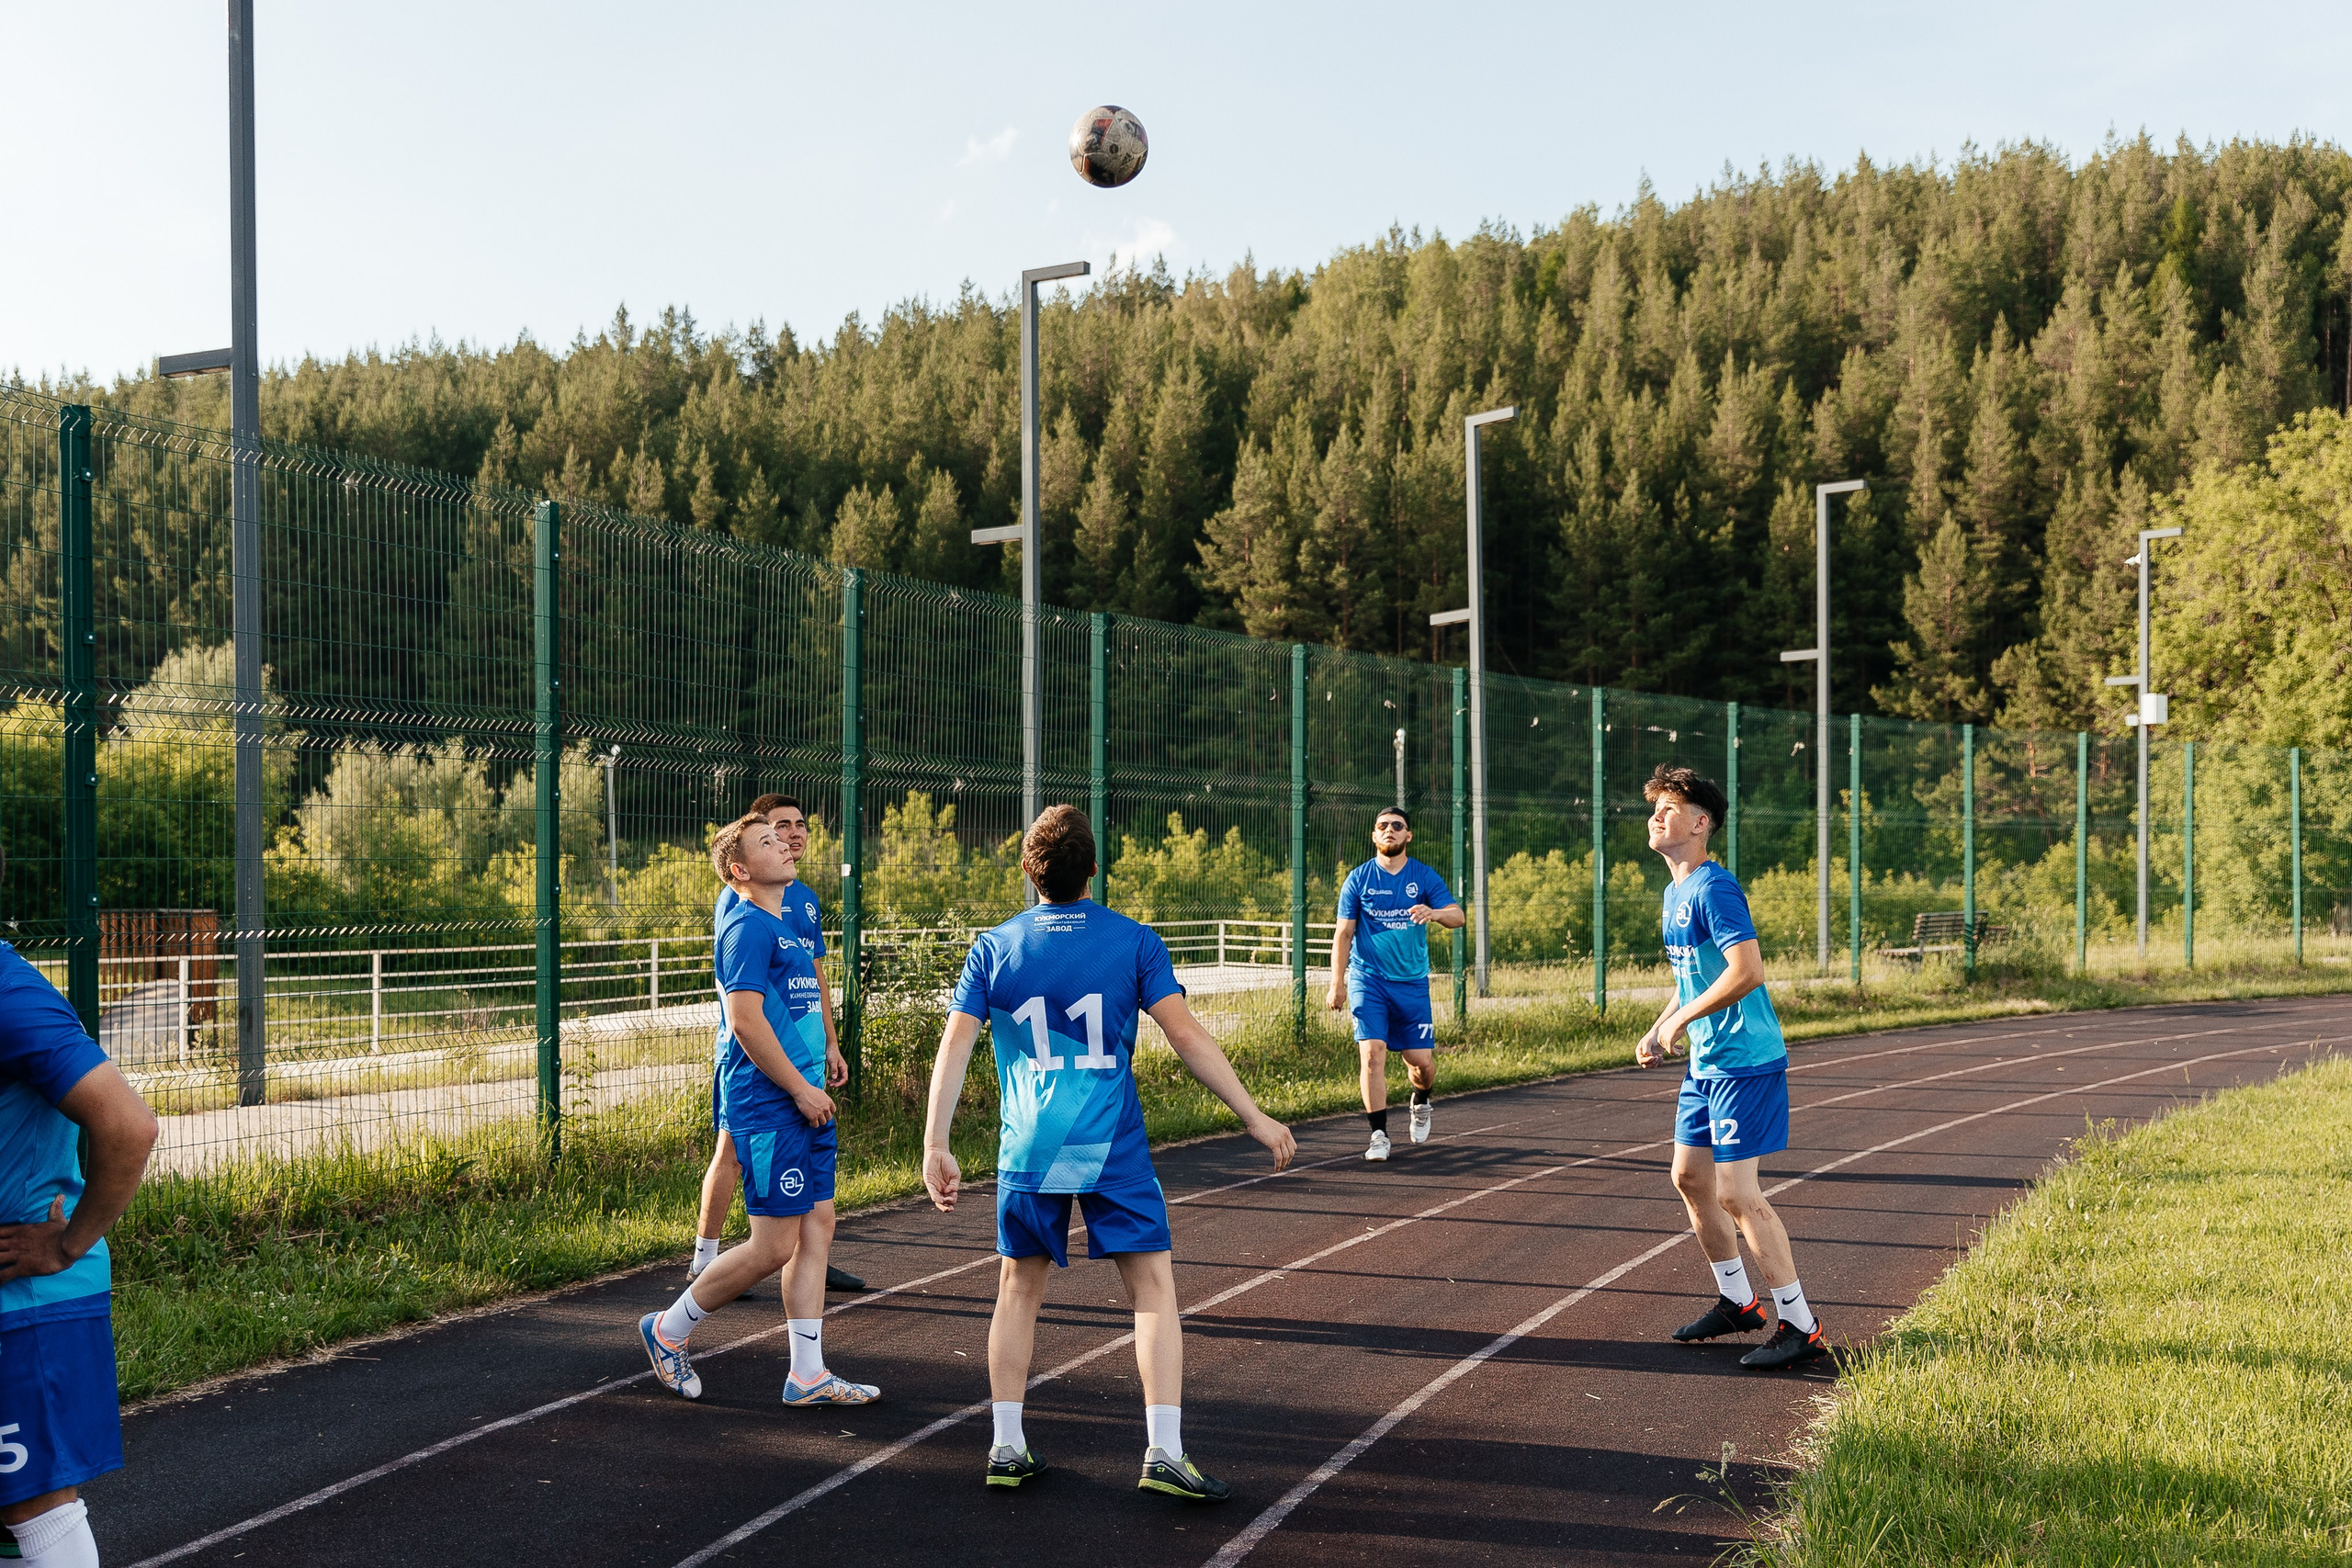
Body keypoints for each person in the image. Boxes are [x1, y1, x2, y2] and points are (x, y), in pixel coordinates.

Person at [921, 806, 1295, 1498]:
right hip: (1108, 1143)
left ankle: (1006, 1444)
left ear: (1030, 872)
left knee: (1017, 1288)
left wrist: (935, 1141)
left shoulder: (993, 946)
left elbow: (957, 1043)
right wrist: (1253, 1114)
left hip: (1029, 1144)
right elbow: (1186, 1037)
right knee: (1151, 1288)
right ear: (1093, 867)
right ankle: (1164, 1451)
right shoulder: (1135, 941)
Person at [639, 815, 877, 1407]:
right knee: (774, 1245)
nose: (785, 844)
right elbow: (745, 1022)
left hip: (806, 1101)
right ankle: (668, 1330)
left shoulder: (785, 926)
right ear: (741, 870)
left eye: (784, 837)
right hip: (771, 1104)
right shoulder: (745, 928)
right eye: (767, 841)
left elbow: (794, 1006)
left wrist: (822, 1061)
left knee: (817, 1226)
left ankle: (807, 1374)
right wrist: (799, 1088)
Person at [1633, 764, 1828, 1371]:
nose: (1657, 815)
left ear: (1701, 822)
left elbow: (1747, 971)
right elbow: (1696, 976)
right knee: (1689, 1178)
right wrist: (1661, 1023)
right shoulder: (1673, 894)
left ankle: (1800, 1324)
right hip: (1707, 1064)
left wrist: (1680, 1019)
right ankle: (1738, 1301)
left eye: (1670, 807)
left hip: (1744, 1061)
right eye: (1654, 807)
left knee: (1738, 1194)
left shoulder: (1715, 889)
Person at [0, 941, 160, 1568]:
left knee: (29, 1504)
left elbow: (130, 1123)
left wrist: (68, 1243)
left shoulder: (8, 991)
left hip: (24, 1300)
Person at [691, 794, 863, 1295]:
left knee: (812, 1224)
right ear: (743, 865)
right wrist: (779, 1065)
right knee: (731, 1152)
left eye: (797, 826)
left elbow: (812, 973)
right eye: (775, 830)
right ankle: (707, 1260)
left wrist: (830, 1041)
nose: (791, 835)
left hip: (803, 1063)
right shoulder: (742, 907)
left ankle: (801, 1258)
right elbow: (743, 1002)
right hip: (757, 1062)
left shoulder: (801, 898)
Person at [1323, 807, 1464, 1161]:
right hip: (1368, 979)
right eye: (1382, 826)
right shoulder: (1358, 878)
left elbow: (1458, 916)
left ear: (1408, 836)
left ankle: (1421, 1100)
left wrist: (1434, 913)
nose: (1389, 830)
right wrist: (1336, 983)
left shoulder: (1424, 876)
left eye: (1397, 826)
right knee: (1372, 1054)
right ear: (1374, 836)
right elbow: (1343, 934)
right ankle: (1378, 1135)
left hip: (1411, 984)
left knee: (1421, 1063)